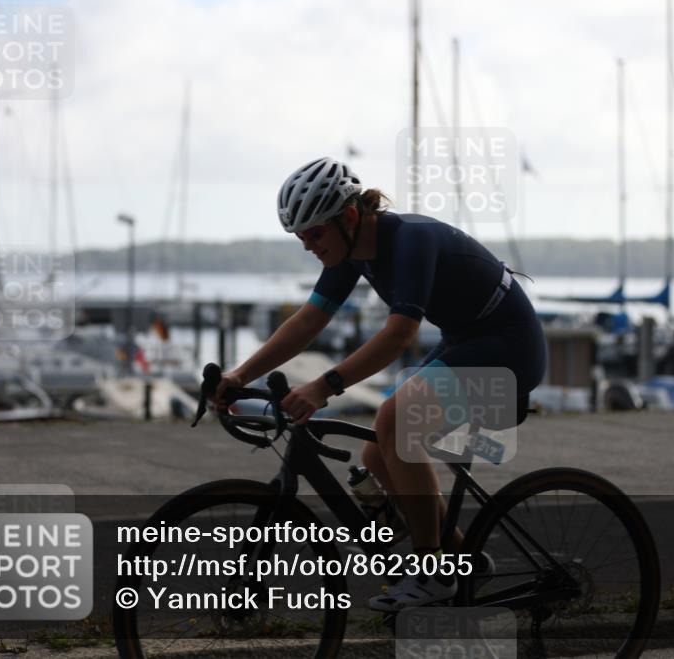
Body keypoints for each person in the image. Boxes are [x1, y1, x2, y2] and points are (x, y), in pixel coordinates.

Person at [215, 157, 547, 610]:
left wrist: (324, 385)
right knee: (377, 450)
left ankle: (433, 574)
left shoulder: (410, 240)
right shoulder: (351, 250)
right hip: (469, 340)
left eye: (314, 233)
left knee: (399, 420)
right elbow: (309, 319)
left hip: (510, 348)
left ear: (349, 216)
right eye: (300, 237)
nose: (308, 245)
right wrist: (239, 376)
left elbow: (399, 334)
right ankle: (461, 560)